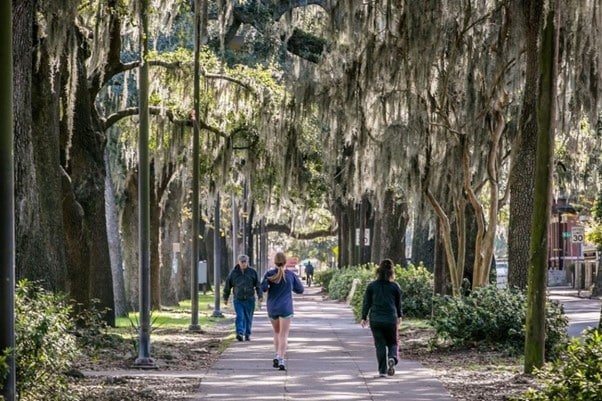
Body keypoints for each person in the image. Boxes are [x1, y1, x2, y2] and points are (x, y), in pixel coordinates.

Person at [261, 252, 304, 371]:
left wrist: (267, 282)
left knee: (276, 333)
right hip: (286, 308)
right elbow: (300, 290)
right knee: (284, 335)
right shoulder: (290, 275)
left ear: (274, 262)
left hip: (272, 307)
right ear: (285, 262)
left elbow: (263, 288)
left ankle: (277, 355)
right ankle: (281, 358)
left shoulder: (269, 274)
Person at [360, 259, 402, 377]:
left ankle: (382, 371)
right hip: (390, 319)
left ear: (378, 271)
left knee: (380, 344)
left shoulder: (372, 286)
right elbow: (398, 304)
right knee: (393, 342)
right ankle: (392, 358)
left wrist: (363, 317)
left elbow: (366, 303)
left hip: (376, 319)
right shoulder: (395, 286)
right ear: (391, 273)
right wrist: (399, 316)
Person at [223, 254, 263, 341]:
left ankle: (247, 334)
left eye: (245, 262)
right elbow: (228, 286)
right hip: (238, 298)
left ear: (247, 262)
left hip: (250, 298)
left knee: (248, 317)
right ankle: (239, 333)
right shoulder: (233, 273)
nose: (243, 264)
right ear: (239, 262)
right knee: (240, 316)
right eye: (242, 262)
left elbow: (258, 285)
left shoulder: (252, 272)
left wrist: (260, 295)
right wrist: (225, 297)